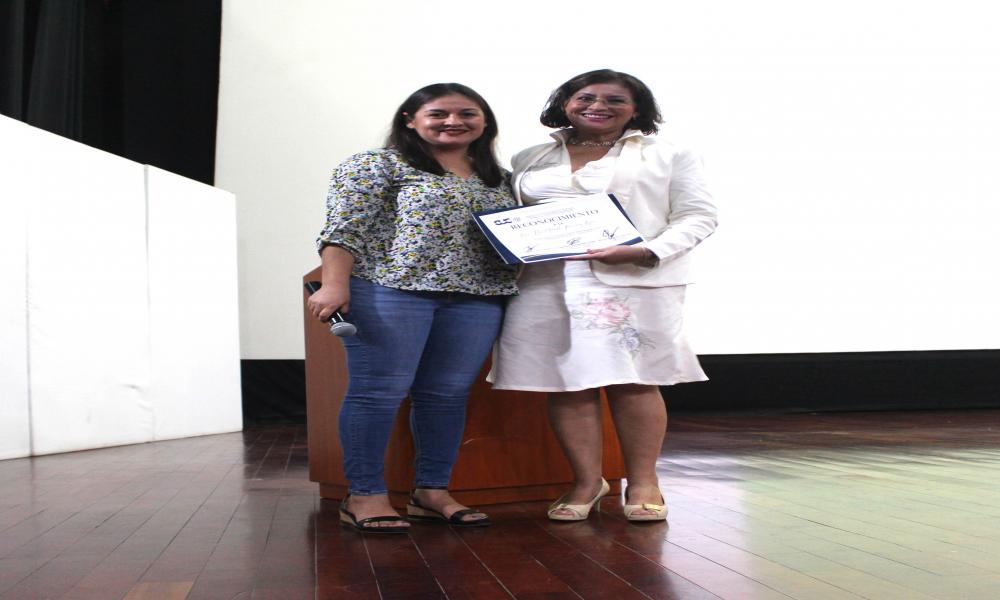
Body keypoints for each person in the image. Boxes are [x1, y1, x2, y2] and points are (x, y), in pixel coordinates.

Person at [488, 69, 717, 522]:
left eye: (616, 99)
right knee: (567, 383)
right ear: (565, 102)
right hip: (543, 283)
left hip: (631, 280)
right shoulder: (530, 155)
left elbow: (699, 216)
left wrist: (648, 251)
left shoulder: (668, 154)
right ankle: (587, 481)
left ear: (637, 109)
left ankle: (645, 481)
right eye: (586, 96)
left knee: (634, 380)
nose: (599, 105)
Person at [308, 83, 518, 533]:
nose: (453, 121)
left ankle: (432, 492)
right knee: (377, 392)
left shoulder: (497, 177)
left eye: (467, 113)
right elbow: (344, 228)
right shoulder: (376, 164)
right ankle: (364, 495)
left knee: (446, 396)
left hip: (476, 297)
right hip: (390, 290)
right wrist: (333, 284)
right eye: (439, 113)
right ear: (410, 119)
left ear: (485, 122)